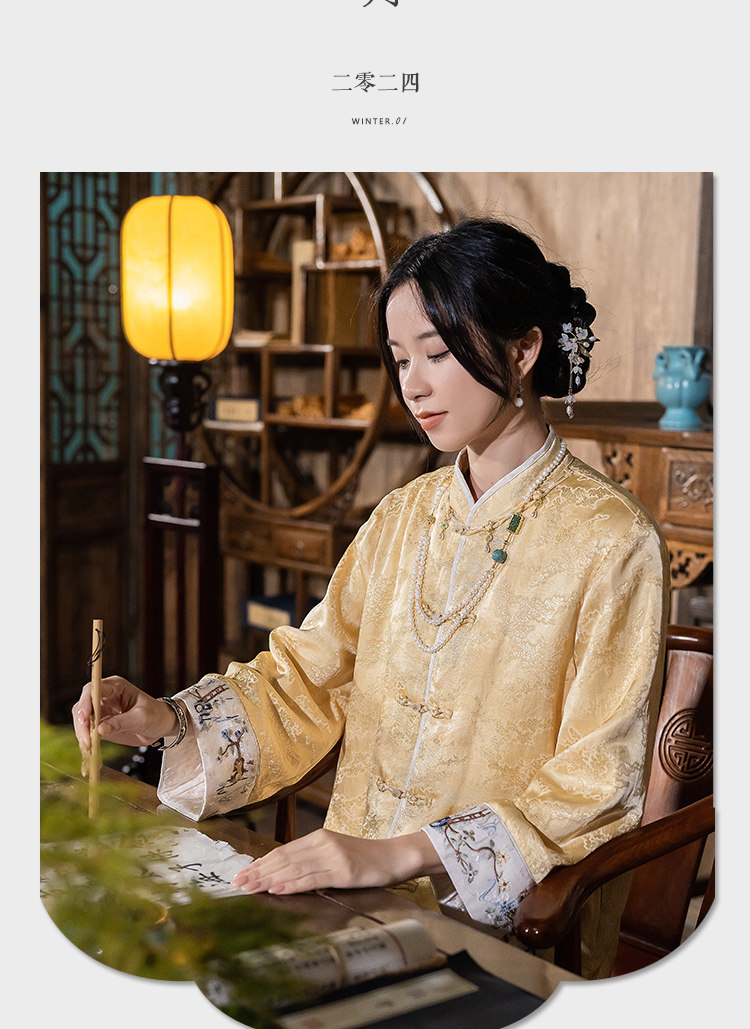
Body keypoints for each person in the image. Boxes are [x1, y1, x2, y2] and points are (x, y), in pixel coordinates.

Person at [73, 219, 669, 978]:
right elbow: (307, 681)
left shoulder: (612, 541)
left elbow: (596, 784)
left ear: (524, 350)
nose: (412, 385)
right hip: (344, 895)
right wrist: (165, 720)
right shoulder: (401, 517)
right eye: (399, 358)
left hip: (493, 922)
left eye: (437, 353)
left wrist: (396, 855)